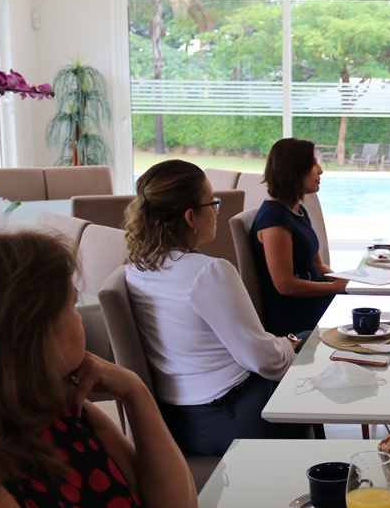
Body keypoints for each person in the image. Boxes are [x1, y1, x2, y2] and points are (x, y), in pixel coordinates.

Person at [0, 230, 198, 508]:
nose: (80, 319)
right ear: (34, 334)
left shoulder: (62, 413)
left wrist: (136, 392)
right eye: (71, 305)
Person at [125, 159, 309, 456]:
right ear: (190, 217)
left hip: (183, 425)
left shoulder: (136, 270)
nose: (216, 210)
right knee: (314, 349)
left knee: (303, 344)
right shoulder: (207, 272)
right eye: (212, 202)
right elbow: (264, 361)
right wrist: (289, 345)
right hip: (237, 419)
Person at [251, 138, 347, 338]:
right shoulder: (274, 219)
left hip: (314, 301)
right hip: (296, 314)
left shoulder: (296, 209)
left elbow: (318, 266)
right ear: (294, 170)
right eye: (313, 163)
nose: (320, 170)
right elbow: (285, 284)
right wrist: (332, 287)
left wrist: (343, 281)